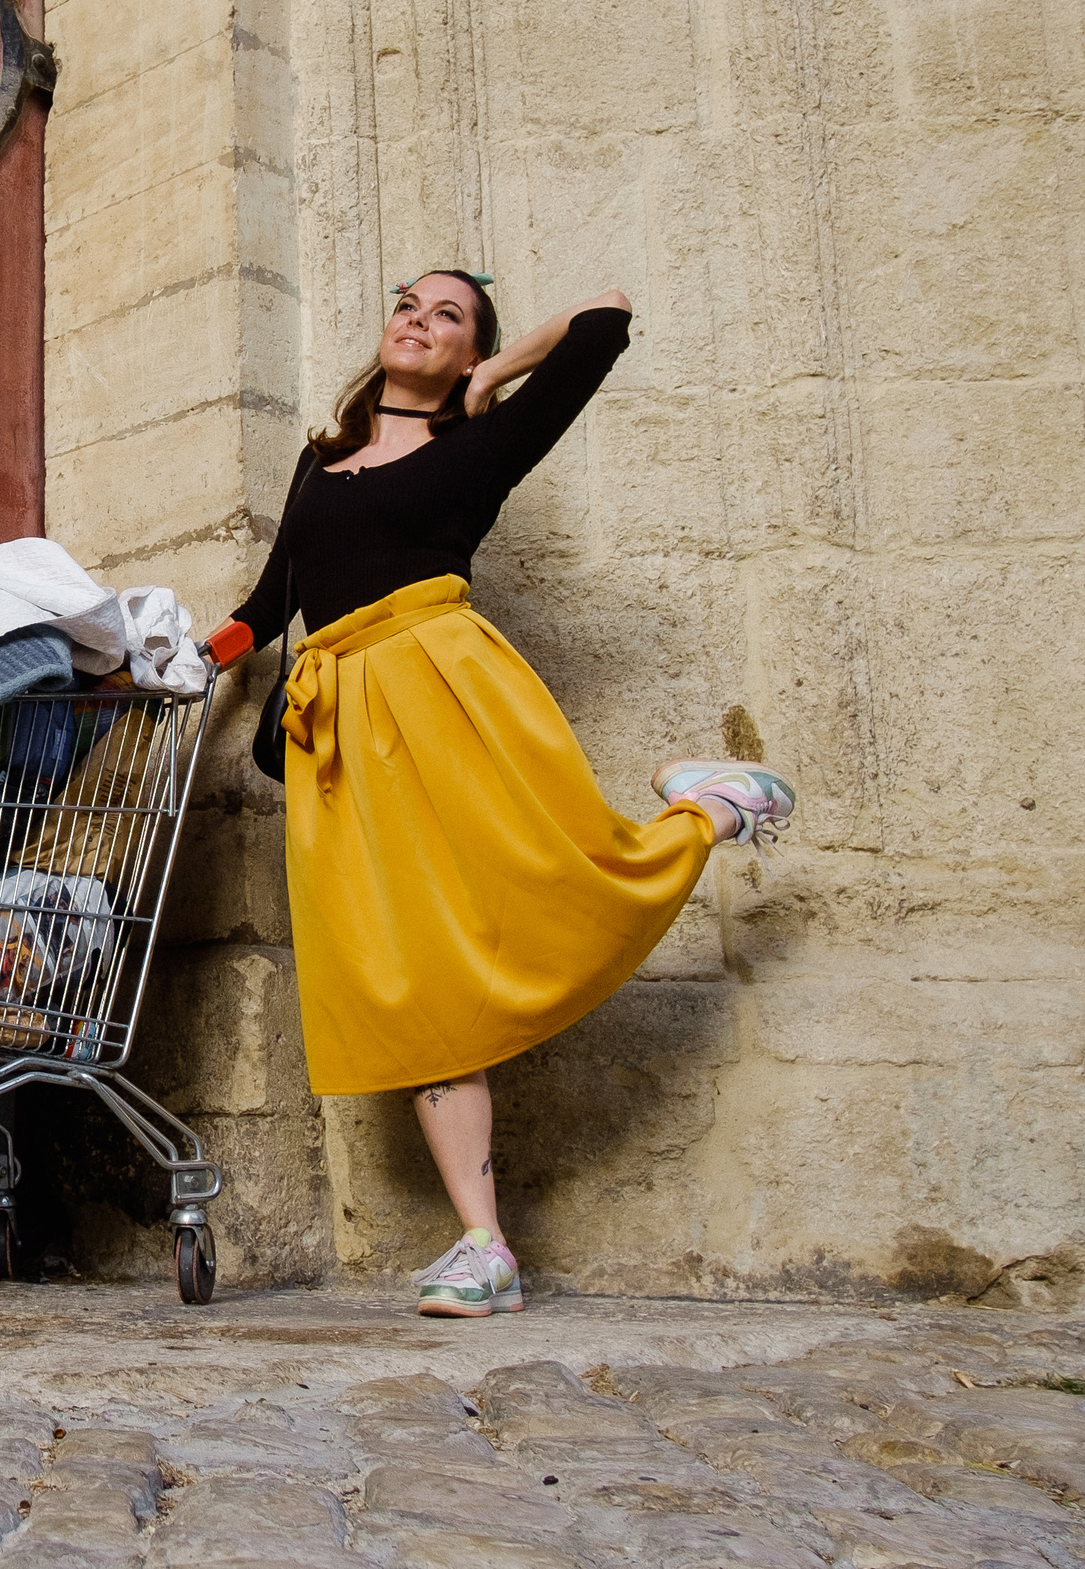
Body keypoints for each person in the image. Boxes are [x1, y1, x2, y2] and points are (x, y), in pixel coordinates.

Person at [199, 271, 796, 1318]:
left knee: (549, 876)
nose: (416, 321)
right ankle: (484, 1249)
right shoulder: (320, 457)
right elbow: (269, 601)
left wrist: (490, 378)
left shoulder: (483, 446)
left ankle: (707, 809)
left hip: (437, 689)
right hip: (336, 726)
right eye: (404, 304)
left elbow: (603, 319)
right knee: (408, 976)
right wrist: (183, 658)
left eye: (446, 316)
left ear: (469, 349)